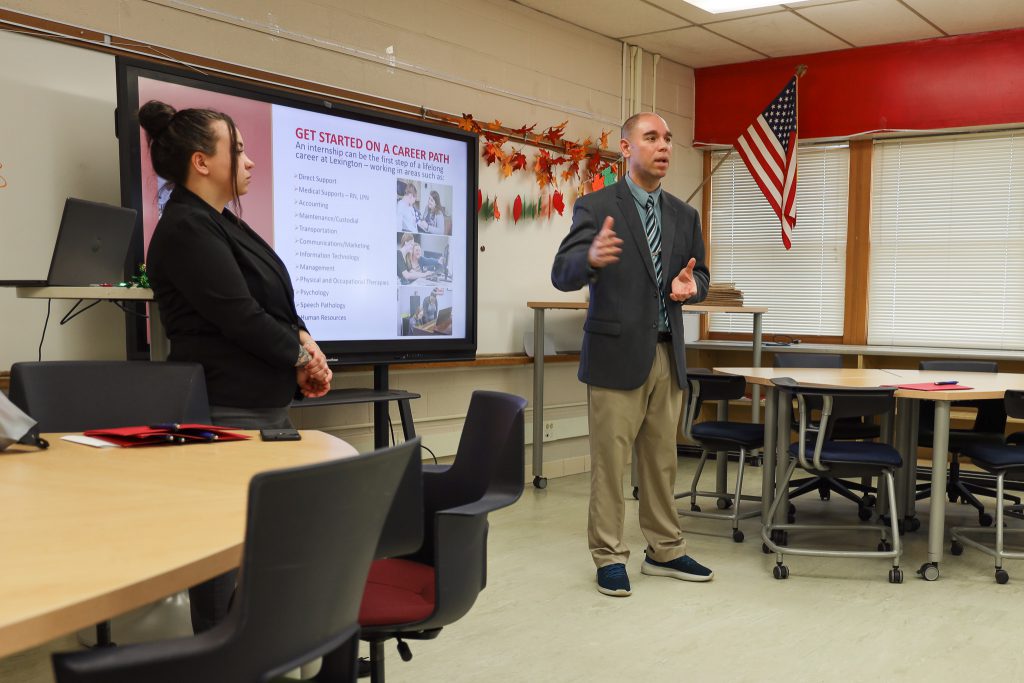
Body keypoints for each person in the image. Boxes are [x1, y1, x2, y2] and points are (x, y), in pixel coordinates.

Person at [139, 100, 333, 632]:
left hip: (260, 406)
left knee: (260, 545)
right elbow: (240, 316)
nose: (249, 162)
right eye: (239, 151)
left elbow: (274, 298)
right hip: (228, 409)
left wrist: (303, 340)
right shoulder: (185, 227)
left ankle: (254, 650)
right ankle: (223, 656)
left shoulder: (220, 223)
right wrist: (301, 358)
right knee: (226, 545)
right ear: (202, 161)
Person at [551, 112, 712, 597]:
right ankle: (608, 555)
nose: (663, 146)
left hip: (668, 354)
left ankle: (665, 549)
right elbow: (562, 272)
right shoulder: (598, 206)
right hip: (615, 356)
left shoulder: (685, 216)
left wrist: (693, 288)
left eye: (667, 138)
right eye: (651, 137)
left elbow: (699, 275)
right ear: (626, 148)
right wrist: (589, 259)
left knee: (663, 462)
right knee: (610, 463)